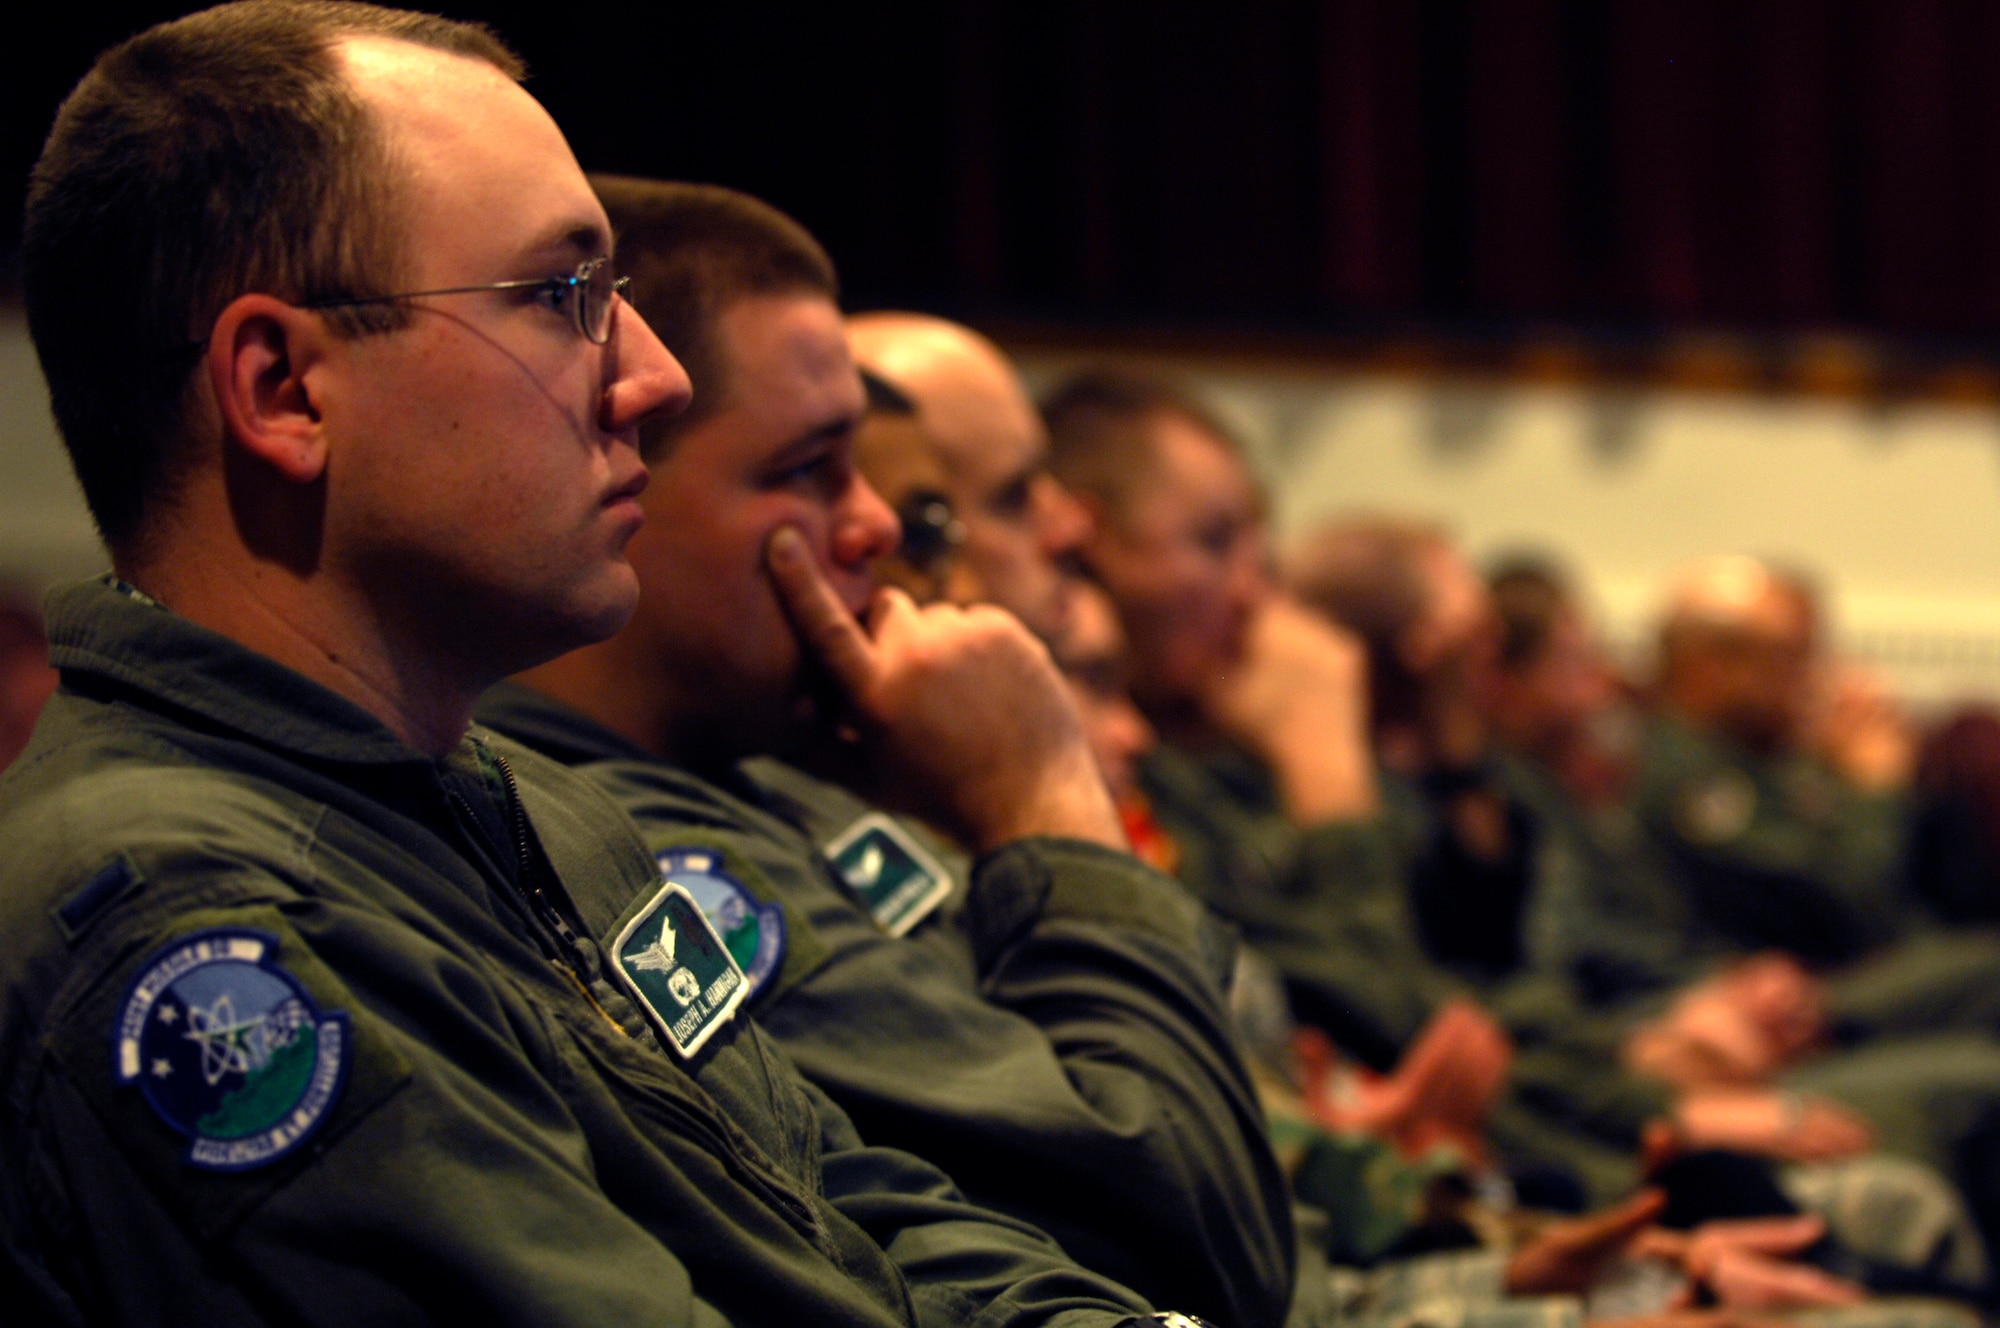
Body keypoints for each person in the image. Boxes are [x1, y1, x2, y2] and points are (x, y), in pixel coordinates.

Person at [0, 7, 1177, 1324]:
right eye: (565, 296)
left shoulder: (527, 809)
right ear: (284, 390)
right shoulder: (206, 934)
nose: (656, 378)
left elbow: (868, 1219)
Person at [480, 177, 1290, 1328]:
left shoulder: (775, 776)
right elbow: (1192, 1243)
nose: (874, 528)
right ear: (617, 479)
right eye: (807, 469)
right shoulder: (651, 854)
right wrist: (1042, 797)